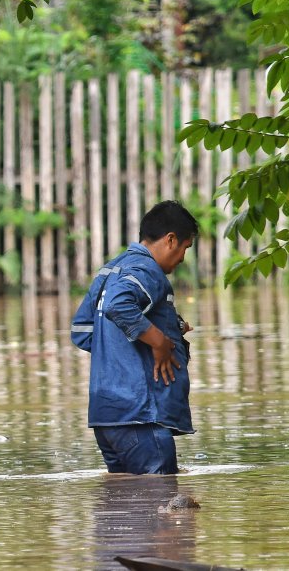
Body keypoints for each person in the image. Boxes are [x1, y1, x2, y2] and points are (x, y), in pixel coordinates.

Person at [70, 200, 198, 475]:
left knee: (124, 510)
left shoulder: (111, 270)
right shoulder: (146, 269)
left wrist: (168, 329)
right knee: (162, 505)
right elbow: (119, 305)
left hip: (107, 419)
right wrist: (160, 342)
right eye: (185, 248)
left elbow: (83, 331)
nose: (182, 258)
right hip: (141, 417)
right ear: (170, 239)